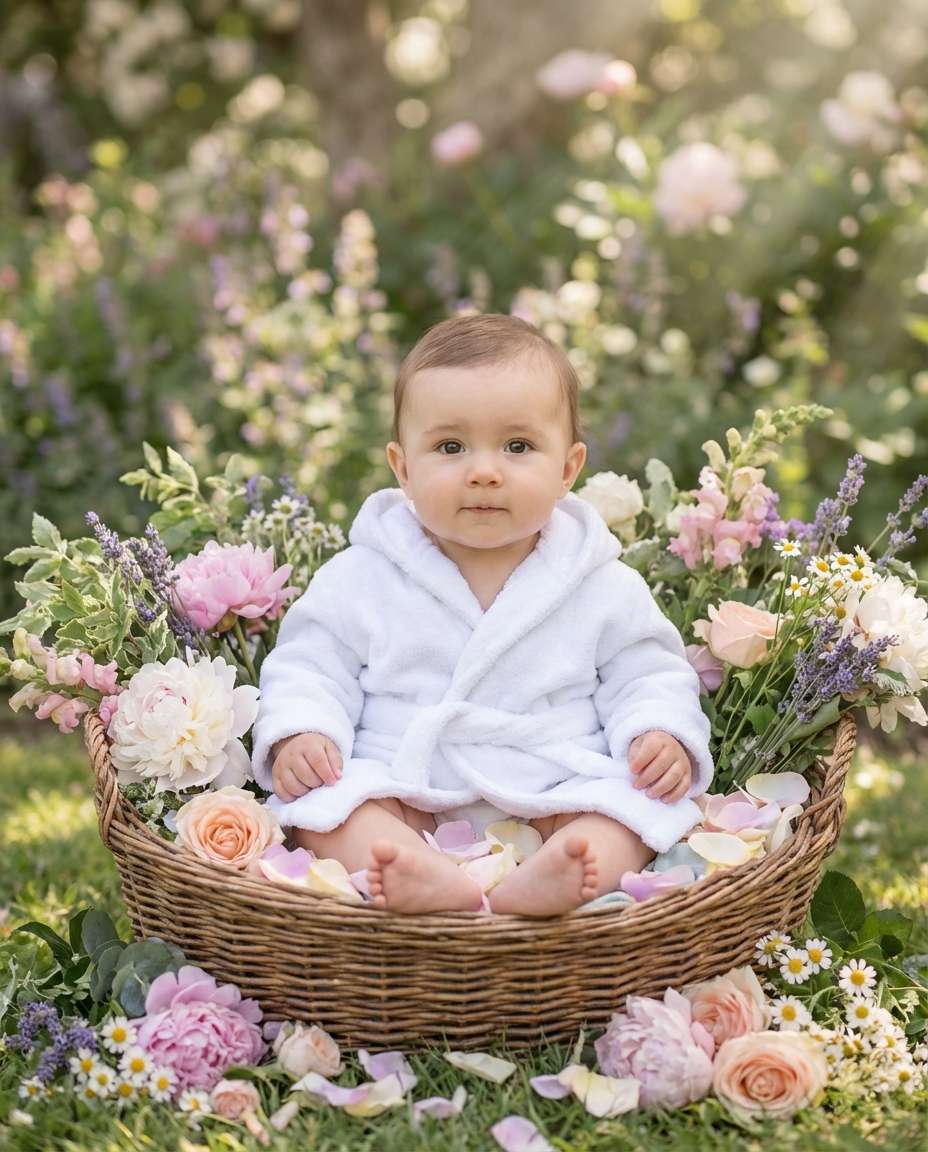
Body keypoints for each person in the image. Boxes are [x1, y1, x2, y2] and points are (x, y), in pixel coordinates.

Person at [251, 313, 713, 916]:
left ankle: (564, 873)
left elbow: (649, 671)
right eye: (450, 446)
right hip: (404, 779)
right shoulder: (362, 574)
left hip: (557, 782)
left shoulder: (599, 580)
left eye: (518, 446)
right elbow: (310, 664)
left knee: (631, 811)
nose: (485, 470)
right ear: (403, 467)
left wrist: (658, 732)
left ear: (569, 469)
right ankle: (410, 871)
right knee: (326, 808)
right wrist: (303, 730)